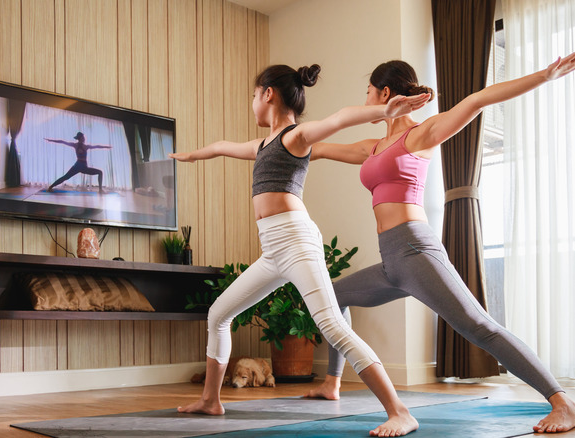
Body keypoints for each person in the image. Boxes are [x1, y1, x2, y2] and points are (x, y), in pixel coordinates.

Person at [305, 46, 575, 435]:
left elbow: (477, 100)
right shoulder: (372, 147)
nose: (366, 100)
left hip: (415, 250)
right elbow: (313, 147)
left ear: (385, 93)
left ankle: (563, 402)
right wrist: (274, 138)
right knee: (333, 296)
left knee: (479, 326)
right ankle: (332, 383)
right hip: (392, 261)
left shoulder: (421, 134)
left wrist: (545, 75)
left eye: (369, 92)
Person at [169, 63, 431, 437]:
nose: (253, 103)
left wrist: (385, 111)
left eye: (253, 96)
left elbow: (340, 118)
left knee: (332, 326)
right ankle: (211, 400)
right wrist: (192, 155)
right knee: (219, 314)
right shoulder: (262, 145)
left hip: (296, 242)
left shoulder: (297, 136)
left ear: (268, 94)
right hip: (272, 249)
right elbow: (224, 147)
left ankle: (399, 411)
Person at [45, 132, 112, 193]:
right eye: (83, 137)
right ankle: (50, 187)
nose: (84, 138)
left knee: (65, 177)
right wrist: (51, 140)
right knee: (66, 177)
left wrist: (106, 147)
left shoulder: (81, 146)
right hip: (80, 166)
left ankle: (50, 187)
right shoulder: (81, 146)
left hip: (81, 167)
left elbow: (97, 146)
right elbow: (62, 142)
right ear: (80, 138)